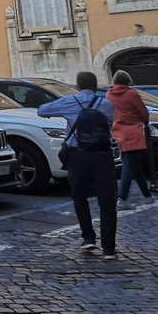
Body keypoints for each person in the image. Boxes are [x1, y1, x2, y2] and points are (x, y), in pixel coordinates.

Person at [38, 71, 117, 258]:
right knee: (107, 201)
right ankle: (109, 248)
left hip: (78, 155)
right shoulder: (105, 104)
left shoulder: (70, 101)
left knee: (79, 196)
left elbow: (42, 110)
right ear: (96, 85)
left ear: (78, 85)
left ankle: (88, 237)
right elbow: (110, 124)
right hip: (102, 155)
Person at [106, 70, 152, 209]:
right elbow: (143, 112)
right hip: (134, 131)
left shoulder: (108, 94)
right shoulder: (132, 93)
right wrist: (145, 121)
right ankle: (123, 197)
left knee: (134, 164)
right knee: (129, 166)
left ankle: (147, 195)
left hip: (118, 131)